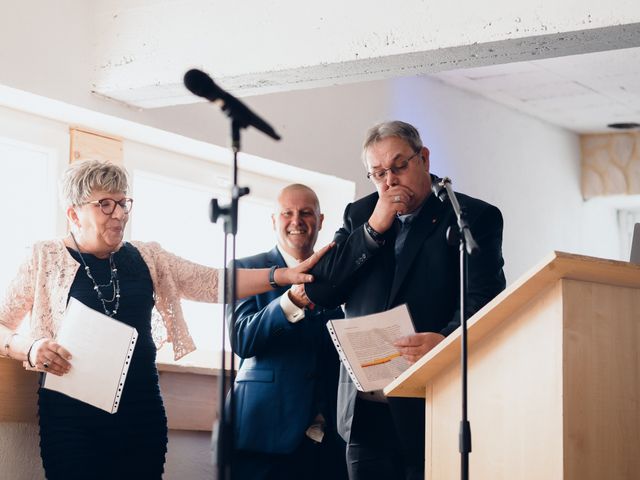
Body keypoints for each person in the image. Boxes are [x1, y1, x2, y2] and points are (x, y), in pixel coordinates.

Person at [0, 160, 330, 480]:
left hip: (141, 413)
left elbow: (213, 282)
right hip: (71, 417)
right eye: (104, 204)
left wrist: (283, 275)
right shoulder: (44, 256)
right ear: (74, 213)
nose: (118, 214)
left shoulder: (148, 256)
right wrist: (30, 348)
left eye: (122, 203)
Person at [305, 120, 506, 480]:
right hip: (365, 409)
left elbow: (484, 298)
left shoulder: (473, 216)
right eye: (378, 173)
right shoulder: (359, 214)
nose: (390, 181)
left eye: (399, 166)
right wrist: (373, 229)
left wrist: (445, 341)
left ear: (424, 158)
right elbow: (322, 290)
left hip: (434, 400)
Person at [227, 184, 348, 480]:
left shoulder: (340, 274)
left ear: (320, 220)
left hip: (331, 440)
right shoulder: (245, 269)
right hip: (263, 436)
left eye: (306, 213)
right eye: (287, 213)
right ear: (274, 221)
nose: (297, 221)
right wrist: (290, 302)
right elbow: (242, 338)